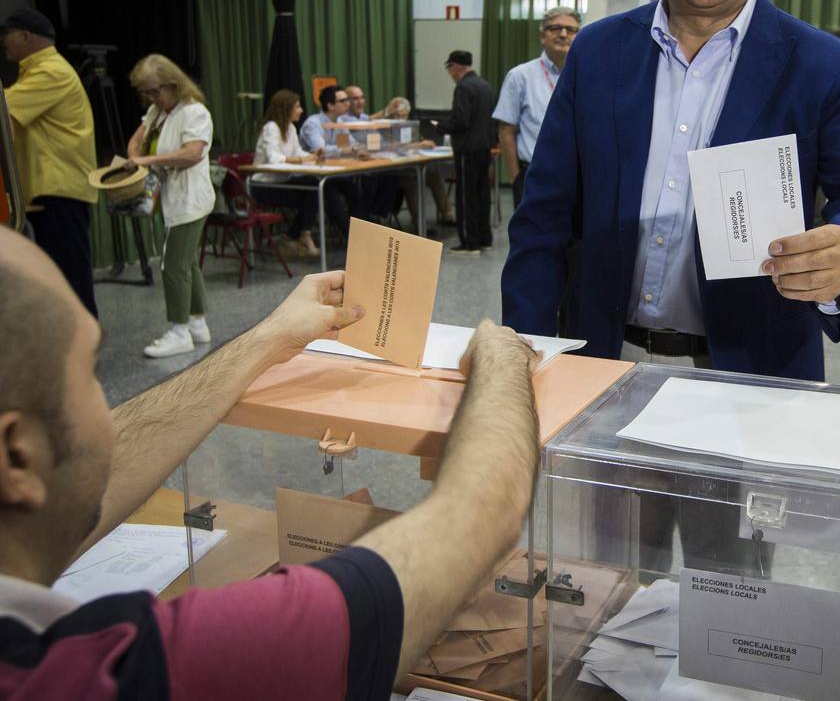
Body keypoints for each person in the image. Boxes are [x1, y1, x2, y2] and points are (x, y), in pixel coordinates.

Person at [502, 0, 840, 574]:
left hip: (744, 384)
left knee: (730, 594)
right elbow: (542, 219)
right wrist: (527, 357)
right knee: (609, 582)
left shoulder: (821, 65)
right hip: (608, 371)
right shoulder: (597, 54)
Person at [0, 226, 541, 700]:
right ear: (17, 454)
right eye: (91, 375)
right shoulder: (129, 674)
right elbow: (484, 509)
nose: (110, 408)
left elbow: (97, 466)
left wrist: (268, 338)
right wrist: (502, 361)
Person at [1, 8, 98, 318]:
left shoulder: (50, 71)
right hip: (49, 193)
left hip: (59, 192)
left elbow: (4, 112)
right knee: (58, 281)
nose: (3, 41)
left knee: (69, 281)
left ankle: (83, 357)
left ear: (25, 35)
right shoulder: (37, 71)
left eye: (7, 34)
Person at [125, 55, 215, 359]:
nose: (150, 98)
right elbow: (135, 143)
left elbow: (192, 154)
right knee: (187, 262)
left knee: (172, 266)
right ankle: (197, 324)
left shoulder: (194, 112)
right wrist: (137, 156)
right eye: (146, 93)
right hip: (172, 197)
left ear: (173, 84)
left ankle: (179, 332)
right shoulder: (157, 112)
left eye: (154, 91)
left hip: (191, 200)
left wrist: (146, 161)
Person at [493, 7, 580, 209]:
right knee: (534, 239)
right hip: (534, 177)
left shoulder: (587, 76)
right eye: (555, 28)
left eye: (571, 29)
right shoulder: (520, 76)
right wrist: (517, 181)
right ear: (542, 36)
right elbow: (506, 132)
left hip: (577, 178)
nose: (563, 34)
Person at [251, 89, 322, 258]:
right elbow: (274, 157)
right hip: (263, 185)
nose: (301, 110)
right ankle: (298, 235)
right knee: (311, 193)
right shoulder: (271, 128)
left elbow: (297, 152)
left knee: (315, 187)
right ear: (286, 108)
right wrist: (299, 160)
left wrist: (313, 156)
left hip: (281, 182)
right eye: (297, 106)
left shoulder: (290, 127)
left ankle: (298, 235)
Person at [444, 51, 497, 254]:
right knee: (482, 194)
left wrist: (441, 127)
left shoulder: (463, 87)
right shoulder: (485, 86)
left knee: (467, 196)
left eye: (449, 68)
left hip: (467, 150)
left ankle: (470, 242)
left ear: (456, 67)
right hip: (485, 148)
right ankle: (485, 238)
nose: (450, 73)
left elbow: (460, 121)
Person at [299, 85, 364, 232]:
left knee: (355, 191)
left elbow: (350, 144)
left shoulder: (339, 122)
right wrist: (347, 150)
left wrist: (359, 149)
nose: (348, 103)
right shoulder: (313, 124)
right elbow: (321, 151)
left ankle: (360, 233)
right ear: (330, 105)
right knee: (331, 193)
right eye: (343, 101)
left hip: (333, 172)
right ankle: (349, 235)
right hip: (313, 175)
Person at [383, 96, 454, 229]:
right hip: (394, 171)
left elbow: (420, 141)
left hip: (411, 166)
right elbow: (391, 146)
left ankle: (448, 215)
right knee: (412, 182)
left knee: (433, 176)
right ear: (392, 114)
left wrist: (425, 143)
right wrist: (418, 145)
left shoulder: (410, 127)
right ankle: (421, 224)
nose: (401, 119)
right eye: (397, 115)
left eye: (404, 115)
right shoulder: (386, 126)